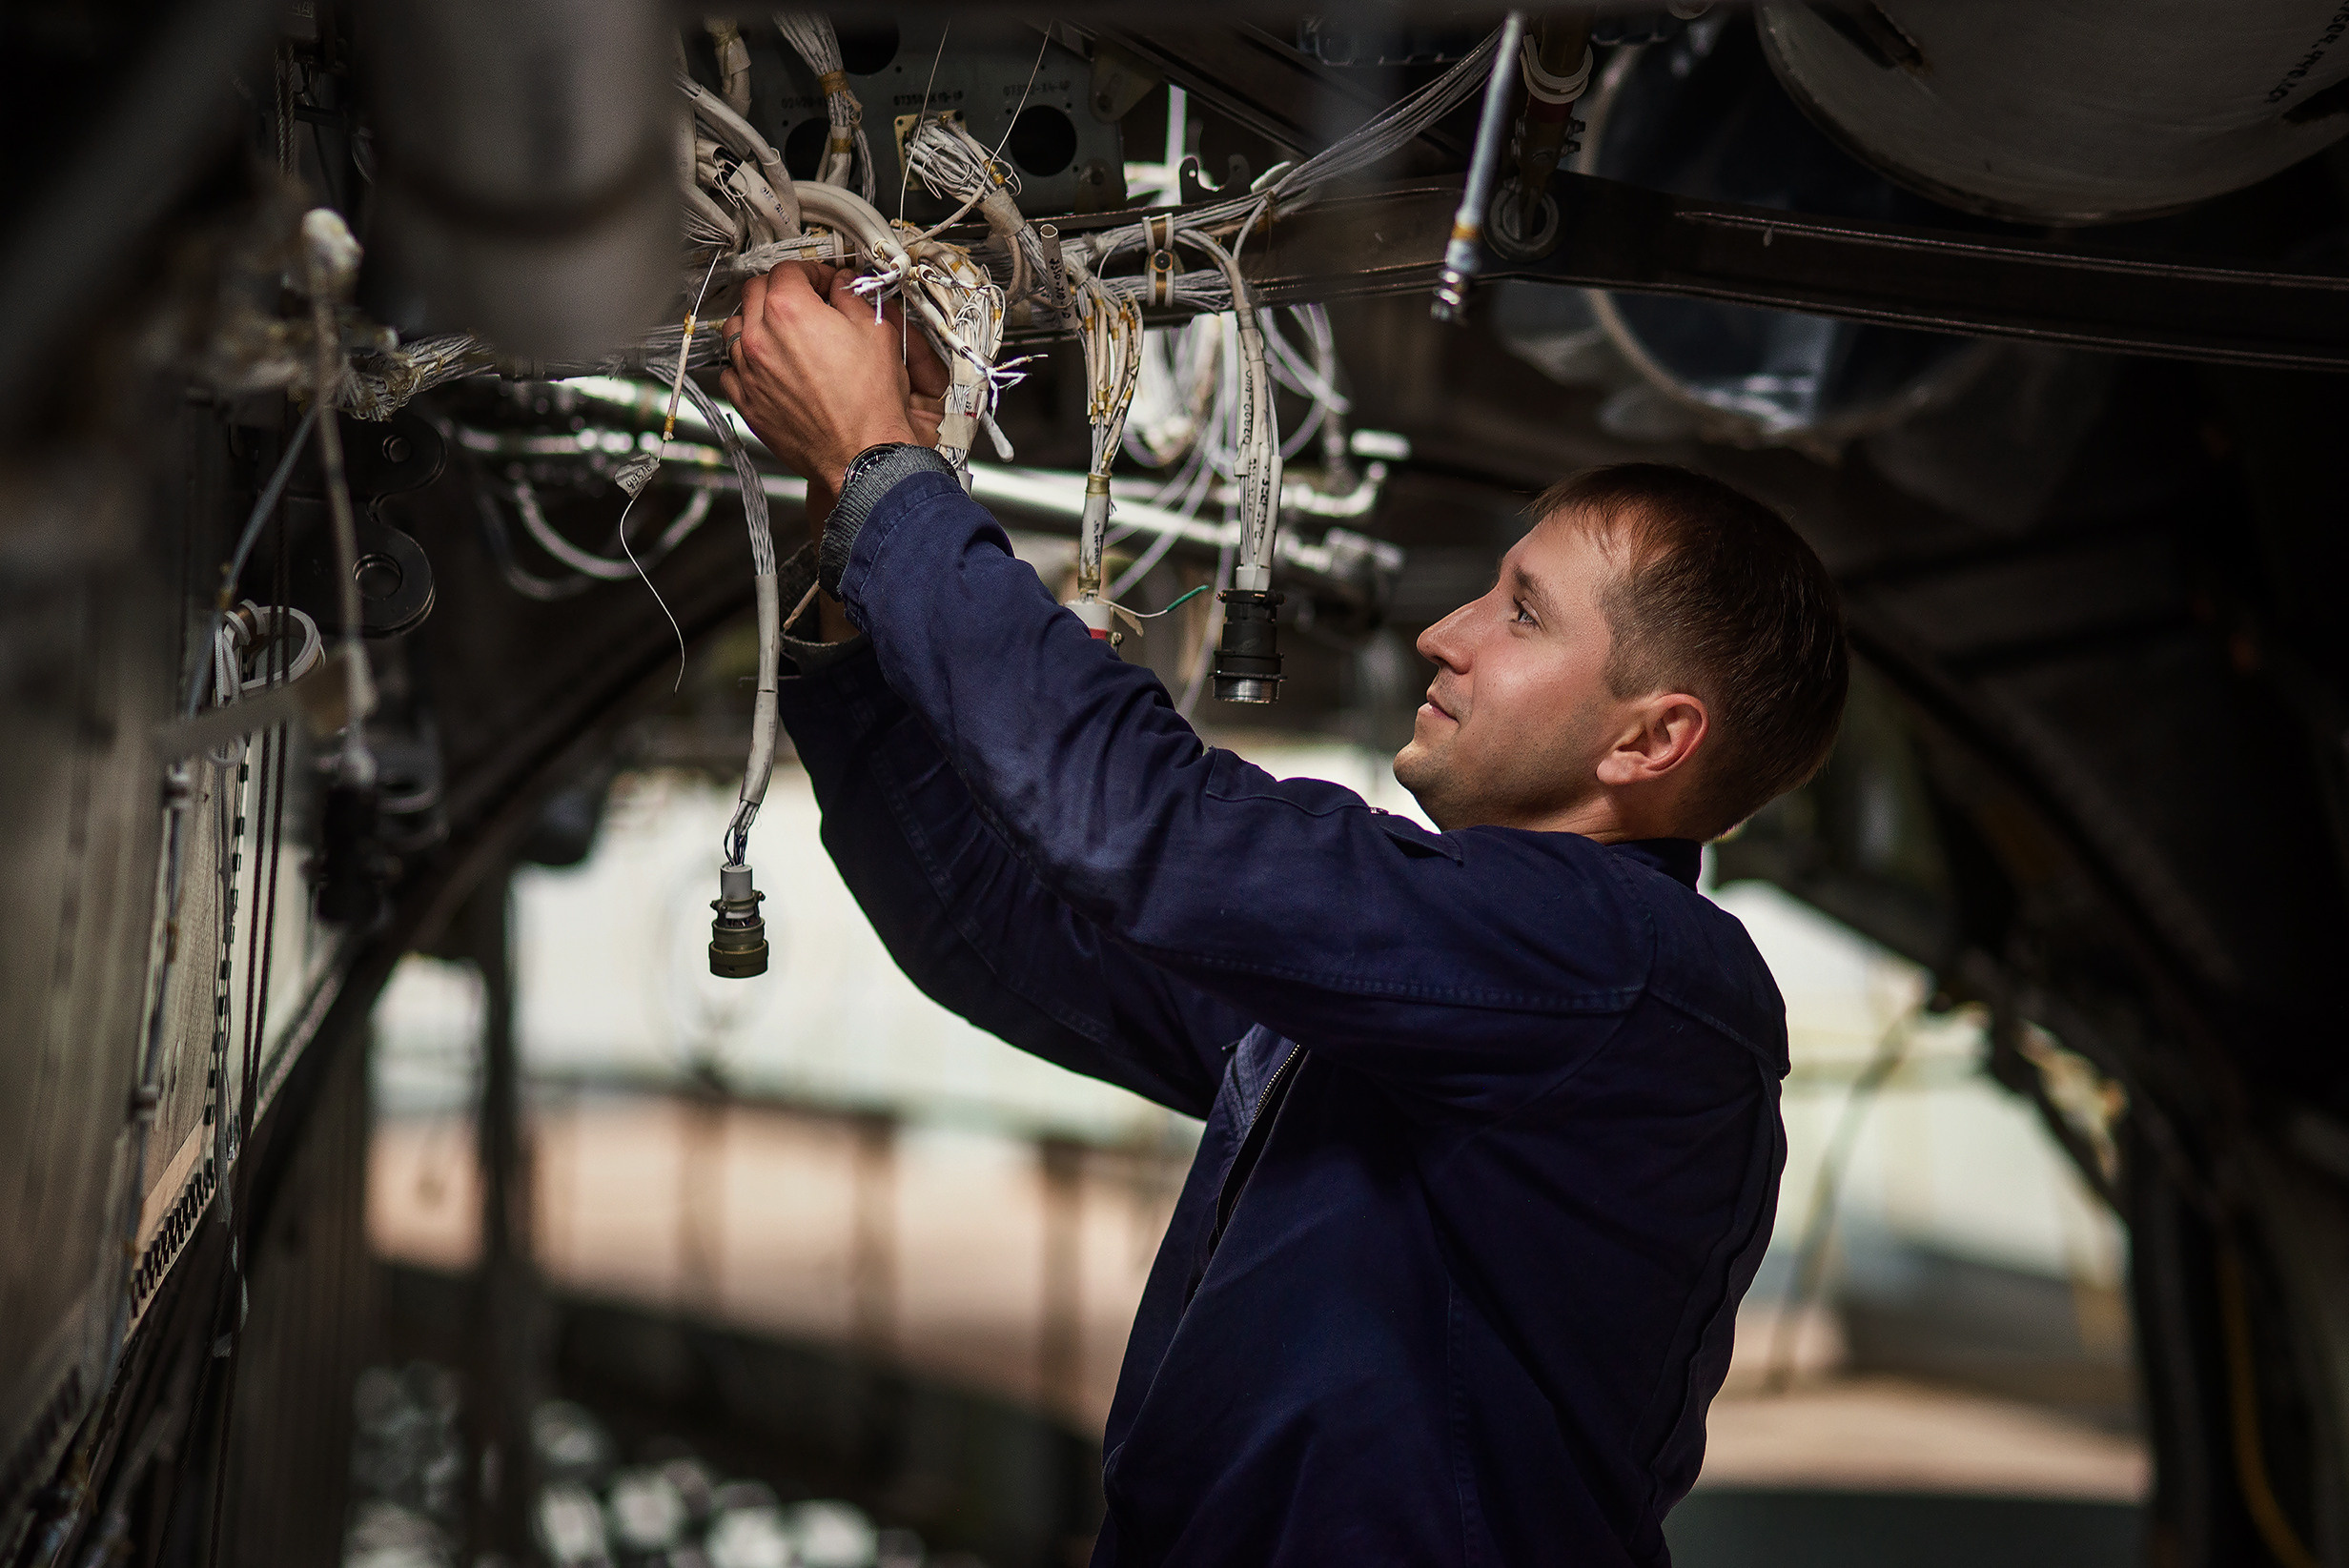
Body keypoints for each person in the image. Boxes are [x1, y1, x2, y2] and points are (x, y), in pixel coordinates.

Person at [718, 263, 1849, 1568]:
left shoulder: (1630, 973)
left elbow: (1153, 833)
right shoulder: (1438, 997)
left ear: (1653, 739)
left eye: (1522, 613)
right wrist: (854, 555)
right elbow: (1001, 927)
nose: (1443, 633)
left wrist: (887, 482)